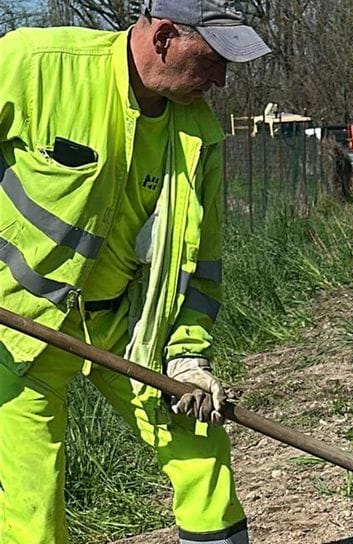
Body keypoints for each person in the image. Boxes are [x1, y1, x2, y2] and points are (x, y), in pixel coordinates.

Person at [0, 1, 270, 543]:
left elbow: (203, 265)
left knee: (200, 440)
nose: (219, 80)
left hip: (122, 326)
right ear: (166, 35)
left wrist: (189, 356)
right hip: (17, 325)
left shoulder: (199, 134)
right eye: (214, 58)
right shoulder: (35, 64)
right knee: (32, 503)